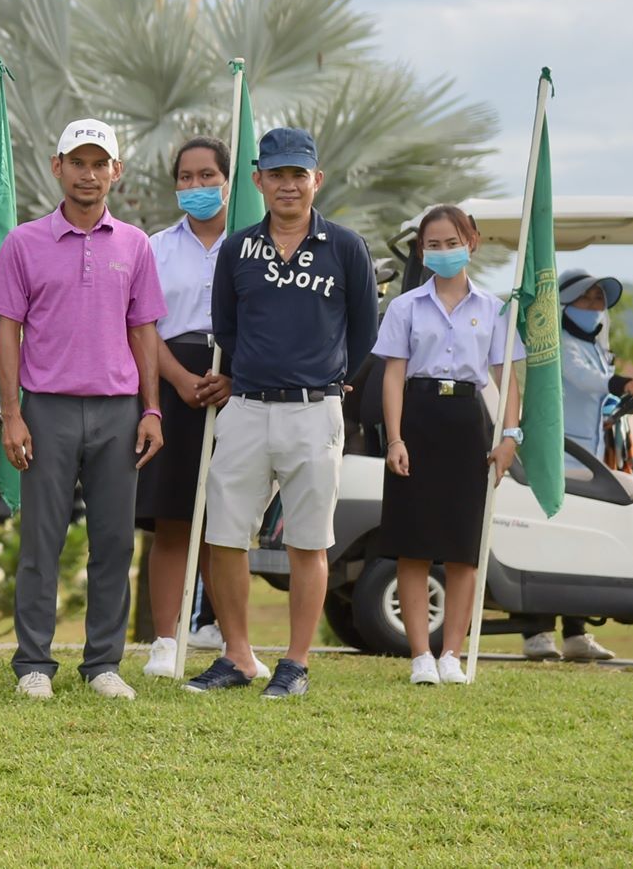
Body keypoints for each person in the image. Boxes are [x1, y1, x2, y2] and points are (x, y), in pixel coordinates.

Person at [186, 127, 376, 699]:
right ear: (258, 180)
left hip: (314, 412)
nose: (288, 185)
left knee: (308, 542)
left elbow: (364, 333)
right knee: (224, 535)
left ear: (317, 179)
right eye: (277, 175)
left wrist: (325, 375)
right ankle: (238, 656)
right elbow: (227, 327)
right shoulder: (237, 249)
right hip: (245, 408)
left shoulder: (346, 247)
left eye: (299, 174)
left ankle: (295, 664)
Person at [0, 119, 165, 701]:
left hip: (118, 412)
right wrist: (11, 414)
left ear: (117, 171)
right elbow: (6, 333)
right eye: (78, 162)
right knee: (41, 541)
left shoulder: (135, 244)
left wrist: (152, 410)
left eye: (99, 163)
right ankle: (34, 663)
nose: (89, 174)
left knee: (114, 543)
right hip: (47, 410)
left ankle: (103, 664)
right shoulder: (23, 243)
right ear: (57, 167)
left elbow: (144, 331)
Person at [374, 204, 524, 684]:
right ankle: (421, 655)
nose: (443, 252)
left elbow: (506, 377)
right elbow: (393, 376)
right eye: (433, 245)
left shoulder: (495, 308)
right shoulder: (405, 307)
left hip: (467, 421)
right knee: (413, 544)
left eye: (452, 243)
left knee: (463, 547)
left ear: (471, 243)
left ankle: (451, 655)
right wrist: (395, 437)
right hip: (416, 419)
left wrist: (510, 435)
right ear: (421, 251)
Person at [138, 137, 238, 678]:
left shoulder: (251, 244)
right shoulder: (155, 247)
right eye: (185, 177)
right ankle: (164, 642)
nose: (195, 186)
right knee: (173, 519)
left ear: (228, 180)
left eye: (206, 176)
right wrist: (177, 379)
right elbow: (141, 325)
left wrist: (234, 377)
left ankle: (234, 643)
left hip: (237, 385)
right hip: (172, 380)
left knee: (226, 524)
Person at [518, 269, 633, 662]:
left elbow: (597, 391)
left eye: (599, 299)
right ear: (564, 304)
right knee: (546, 541)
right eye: (585, 297)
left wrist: (615, 405)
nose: (594, 305)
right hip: (557, 454)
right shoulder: (556, 342)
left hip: (586, 457)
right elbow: (584, 379)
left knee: (577, 544)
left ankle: (575, 633)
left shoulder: (594, 344)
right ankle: (536, 631)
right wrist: (621, 384)